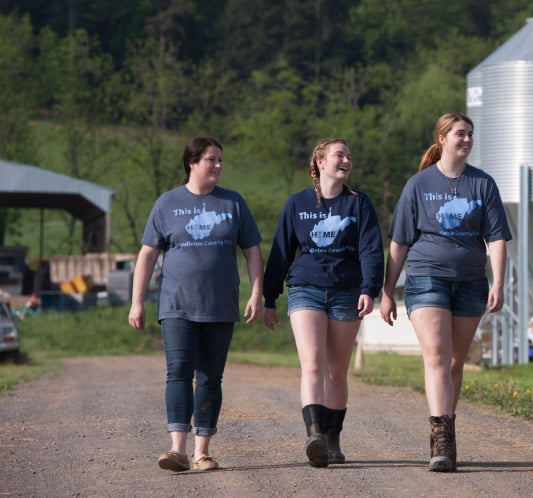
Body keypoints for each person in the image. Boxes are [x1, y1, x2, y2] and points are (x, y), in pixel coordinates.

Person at [380, 112, 511, 472]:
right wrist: (387, 290)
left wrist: (498, 282)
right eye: (459, 133)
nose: (466, 139)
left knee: (455, 361)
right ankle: (442, 440)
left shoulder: (482, 184)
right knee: (437, 354)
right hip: (426, 277)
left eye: (470, 134)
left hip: (471, 280)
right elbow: (399, 242)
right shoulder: (418, 185)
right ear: (442, 139)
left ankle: (445, 424)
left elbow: (497, 237)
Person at [128, 137, 264, 472]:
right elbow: (147, 254)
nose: (218, 165)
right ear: (192, 162)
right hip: (176, 305)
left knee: (210, 377)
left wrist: (256, 292)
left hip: (220, 304)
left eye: (220, 160)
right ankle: (177, 450)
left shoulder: (233, 203)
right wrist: (137, 302)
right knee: (178, 373)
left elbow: (252, 250)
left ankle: (203, 452)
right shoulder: (167, 203)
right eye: (211, 160)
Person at [263, 138, 383, 468]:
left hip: (347, 291)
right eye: (339, 155)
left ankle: (332, 438)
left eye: (349, 155)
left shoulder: (360, 204)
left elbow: (371, 249)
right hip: (306, 288)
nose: (346, 160)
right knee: (313, 364)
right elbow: (281, 252)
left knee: (337, 371)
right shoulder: (297, 203)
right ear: (320, 162)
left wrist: (368, 288)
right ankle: (314, 434)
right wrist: (269, 298)